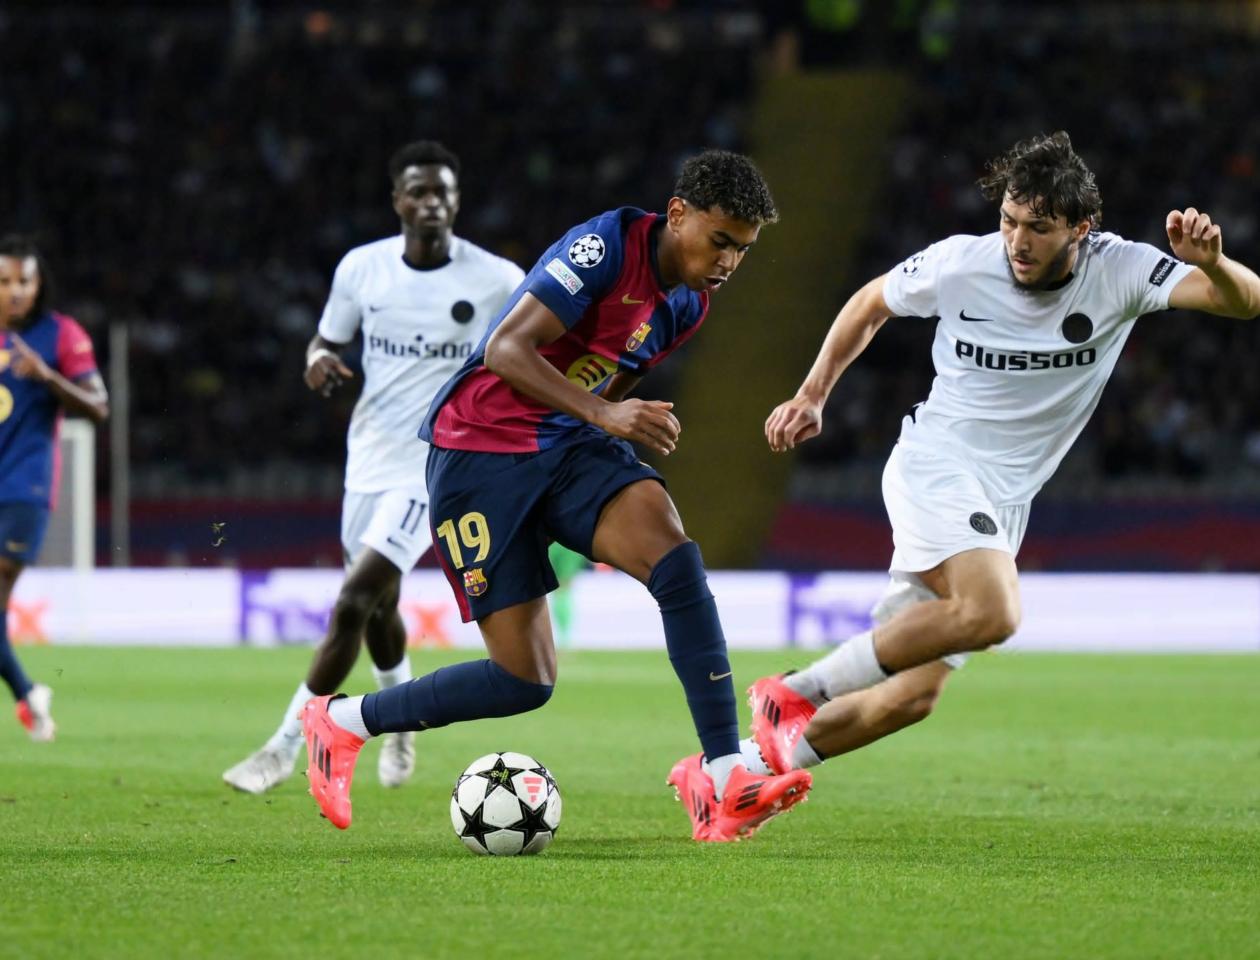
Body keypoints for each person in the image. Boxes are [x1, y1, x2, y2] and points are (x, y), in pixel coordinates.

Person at [300, 149, 813, 842]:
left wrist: (607, 424)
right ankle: (342, 721)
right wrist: (606, 415)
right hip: (478, 452)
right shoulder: (604, 247)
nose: (728, 261)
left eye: (742, 250)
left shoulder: (690, 302)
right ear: (678, 214)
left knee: (676, 562)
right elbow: (506, 349)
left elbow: (618, 373)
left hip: (566, 445)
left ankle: (721, 774)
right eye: (720, 240)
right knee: (524, 680)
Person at [743, 131, 1260, 778]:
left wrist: (1215, 263)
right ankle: (795, 692)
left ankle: (736, 776)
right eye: (1009, 221)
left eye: (1038, 228)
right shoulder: (961, 263)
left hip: (1005, 501)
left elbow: (1243, 301)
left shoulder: (1119, 269)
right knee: (993, 613)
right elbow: (870, 302)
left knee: (909, 697)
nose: (1017, 241)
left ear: (1081, 228)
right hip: (938, 464)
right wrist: (812, 395)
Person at [222, 141, 524, 793]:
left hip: (436, 466)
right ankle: (404, 722)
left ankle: (282, 748)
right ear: (397, 201)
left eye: (442, 192)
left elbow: (532, 352)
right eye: (418, 191)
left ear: (457, 201)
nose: (431, 202)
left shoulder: (497, 279)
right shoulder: (361, 269)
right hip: (367, 459)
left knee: (354, 598)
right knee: (381, 607)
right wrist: (316, 361)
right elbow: (326, 340)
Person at [0, 235, 110, 741]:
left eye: (24, 280)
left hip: (24, 488)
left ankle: (27, 694)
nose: (15, 291)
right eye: (5, 281)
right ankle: (29, 696)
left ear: (38, 283)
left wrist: (46, 376)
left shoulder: (61, 334)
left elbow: (98, 406)